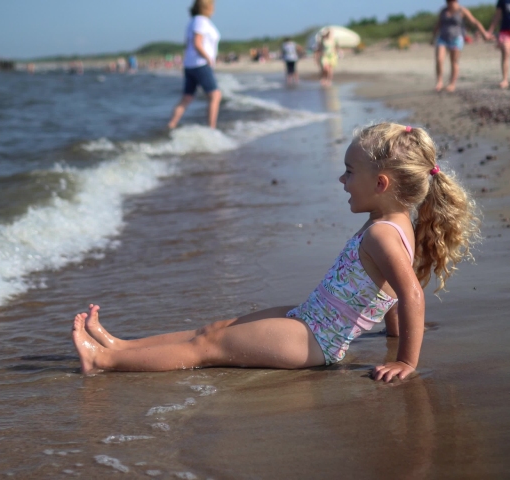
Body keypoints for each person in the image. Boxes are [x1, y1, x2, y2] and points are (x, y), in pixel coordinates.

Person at [71, 123, 481, 382]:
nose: (341, 179)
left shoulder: (383, 235)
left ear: (382, 183)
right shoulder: (398, 224)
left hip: (317, 339)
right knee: (213, 330)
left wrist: (406, 360)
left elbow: (409, 293)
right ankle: (120, 346)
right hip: (309, 318)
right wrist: (392, 335)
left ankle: (103, 363)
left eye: (349, 171)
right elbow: (392, 287)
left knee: (208, 350)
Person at [167, 0, 222, 129]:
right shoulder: (201, 20)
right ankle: (211, 128)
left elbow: (188, 44)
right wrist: (208, 58)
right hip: (200, 64)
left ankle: (171, 125)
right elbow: (197, 43)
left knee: (187, 97)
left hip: (190, 65)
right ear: (206, 7)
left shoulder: (193, 21)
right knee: (215, 95)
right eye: (212, 5)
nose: (214, 8)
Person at [431, 0, 492, 92]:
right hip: (442, 38)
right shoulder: (443, 11)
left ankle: (452, 84)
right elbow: (438, 24)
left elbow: (474, 22)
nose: (449, 2)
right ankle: (439, 82)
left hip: (456, 38)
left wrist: (484, 33)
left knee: (454, 61)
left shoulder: (462, 11)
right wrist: (433, 37)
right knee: (439, 59)